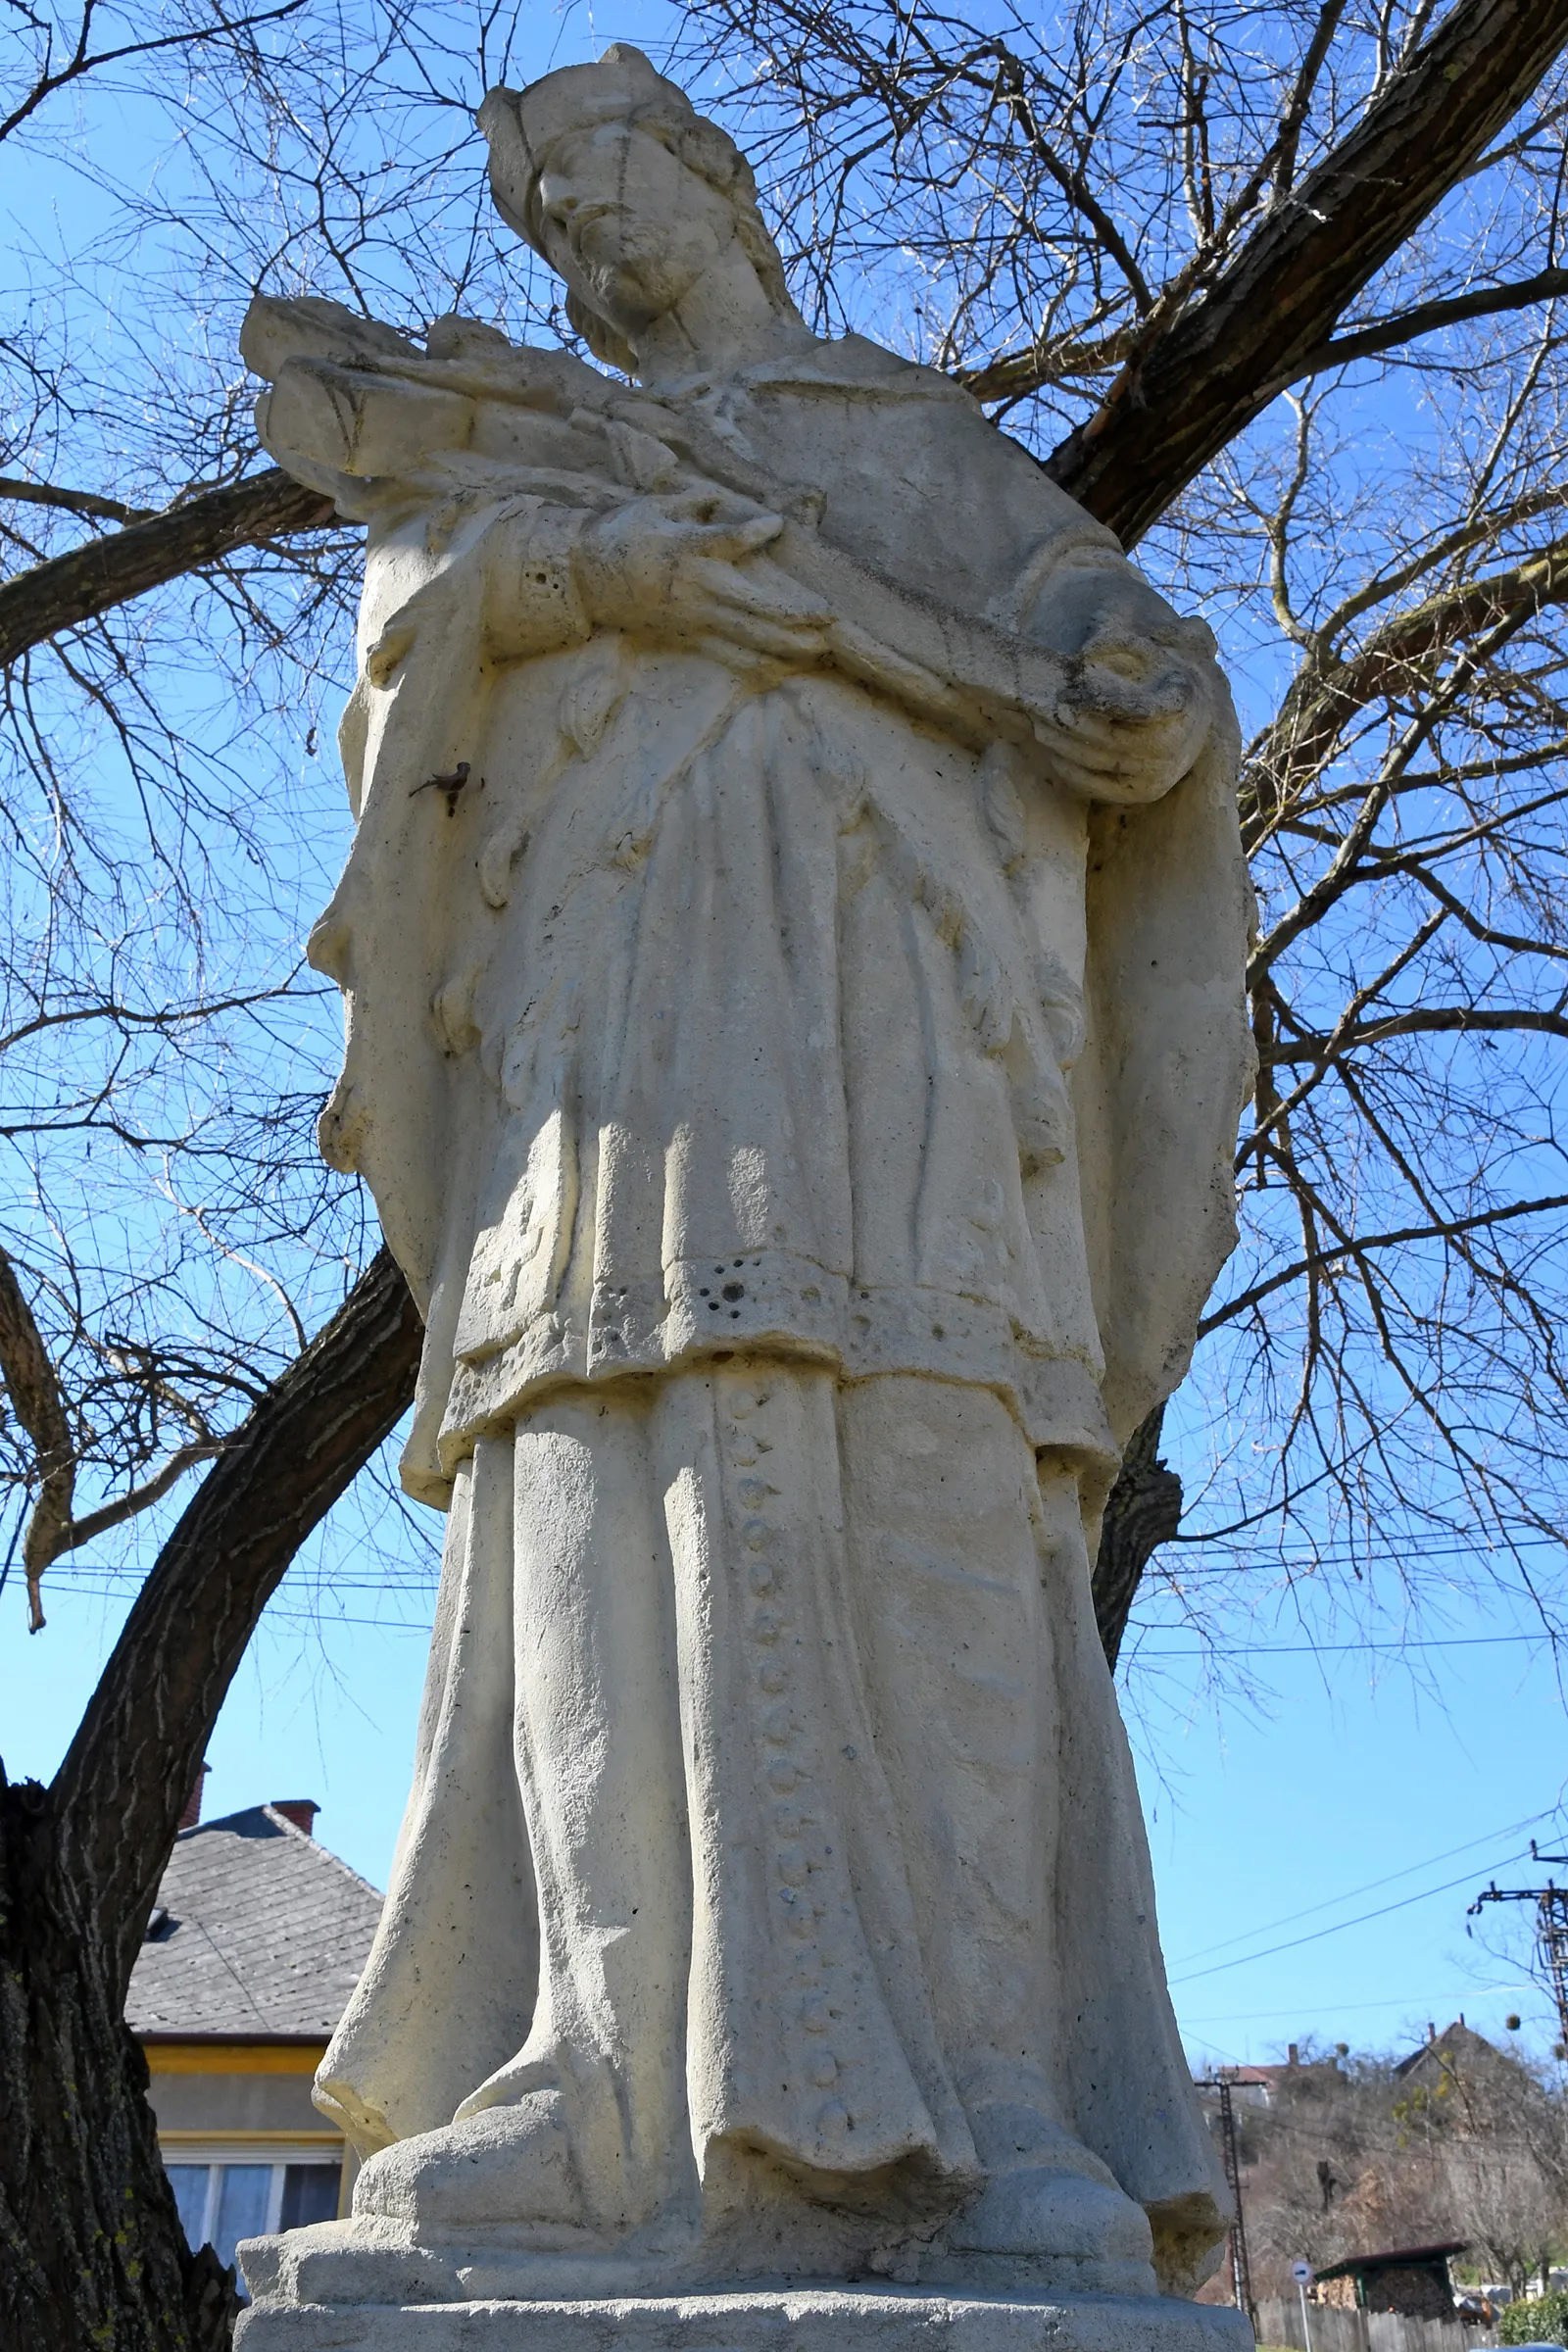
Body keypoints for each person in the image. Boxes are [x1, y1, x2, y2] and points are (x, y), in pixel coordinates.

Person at [243, 43, 1252, 2299]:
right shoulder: (517, 455)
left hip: (898, 1022)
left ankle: (993, 2104)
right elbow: (404, 651)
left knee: (925, 1500)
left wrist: (1129, 693)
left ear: (716, 180)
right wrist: (599, 573)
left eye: (617, 192)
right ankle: (590, 2092)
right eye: (558, 230)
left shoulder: (902, 444)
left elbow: (1124, 651)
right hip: (604, 1029)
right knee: (594, 1498)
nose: (595, 248)